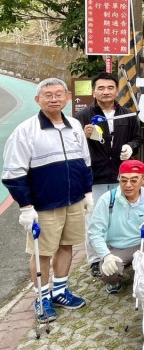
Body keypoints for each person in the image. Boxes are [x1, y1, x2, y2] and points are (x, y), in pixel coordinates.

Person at [3, 78, 93, 321]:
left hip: (73, 201)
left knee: (66, 246)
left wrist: (87, 193)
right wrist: (26, 207)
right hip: (43, 206)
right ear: (37, 100)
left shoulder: (74, 125)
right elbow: (13, 173)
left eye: (58, 94)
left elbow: (85, 162)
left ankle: (61, 291)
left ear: (66, 97)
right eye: (48, 95)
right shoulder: (25, 131)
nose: (54, 99)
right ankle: (42, 296)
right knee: (42, 252)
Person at [75, 72, 142, 278]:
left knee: (120, 216)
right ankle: (95, 259)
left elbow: (138, 138)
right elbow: (74, 147)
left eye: (110, 88)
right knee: (94, 219)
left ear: (116, 90)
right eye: (101, 88)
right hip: (95, 176)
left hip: (121, 176)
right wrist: (84, 138)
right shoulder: (82, 116)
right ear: (94, 91)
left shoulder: (128, 114)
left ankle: (116, 253)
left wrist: (130, 148)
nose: (106, 92)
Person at [88, 160, 144, 293]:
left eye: (134, 180)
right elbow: (94, 232)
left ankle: (143, 270)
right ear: (118, 179)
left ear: (143, 179)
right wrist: (105, 255)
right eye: (123, 180)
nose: (128, 185)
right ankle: (115, 280)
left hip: (143, 243)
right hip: (116, 247)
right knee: (109, 273)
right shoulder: (107, 199)